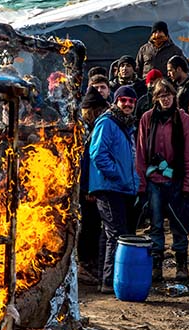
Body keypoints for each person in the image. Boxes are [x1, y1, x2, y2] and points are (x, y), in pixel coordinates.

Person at [136, 79, 189, 282]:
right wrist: (142, 184)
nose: (165, 99)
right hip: (154, 180)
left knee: (178, 225)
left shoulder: (183, 119)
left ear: (174, 96)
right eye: (161, 95)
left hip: (177, 179)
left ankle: (181, 265)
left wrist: (188, 184)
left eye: (168, 94)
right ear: (155, 98)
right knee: (155, 225)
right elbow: (141, 152)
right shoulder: (147, 118)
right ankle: (156, 265)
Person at [88, 85, 139, 294]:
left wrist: (133, 181)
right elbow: (98, 153)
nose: (127, 104)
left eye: (131, 102)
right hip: (109, 187)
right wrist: (116, 175)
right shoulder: (108, 122)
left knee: (110, 234)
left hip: (123, 187)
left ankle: (106, 278)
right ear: (116, 101)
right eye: (123, 100)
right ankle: (109, 281)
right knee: (116, 233)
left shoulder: (126, 126)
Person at [78, 86, 110, 285]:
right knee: (89, 227)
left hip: (92, 185)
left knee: (94, 226)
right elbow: (84, 161)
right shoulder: (83, 130)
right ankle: (85, 265)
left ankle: (91, 264)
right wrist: (87, 188)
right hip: (87, 186)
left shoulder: (93, 127)